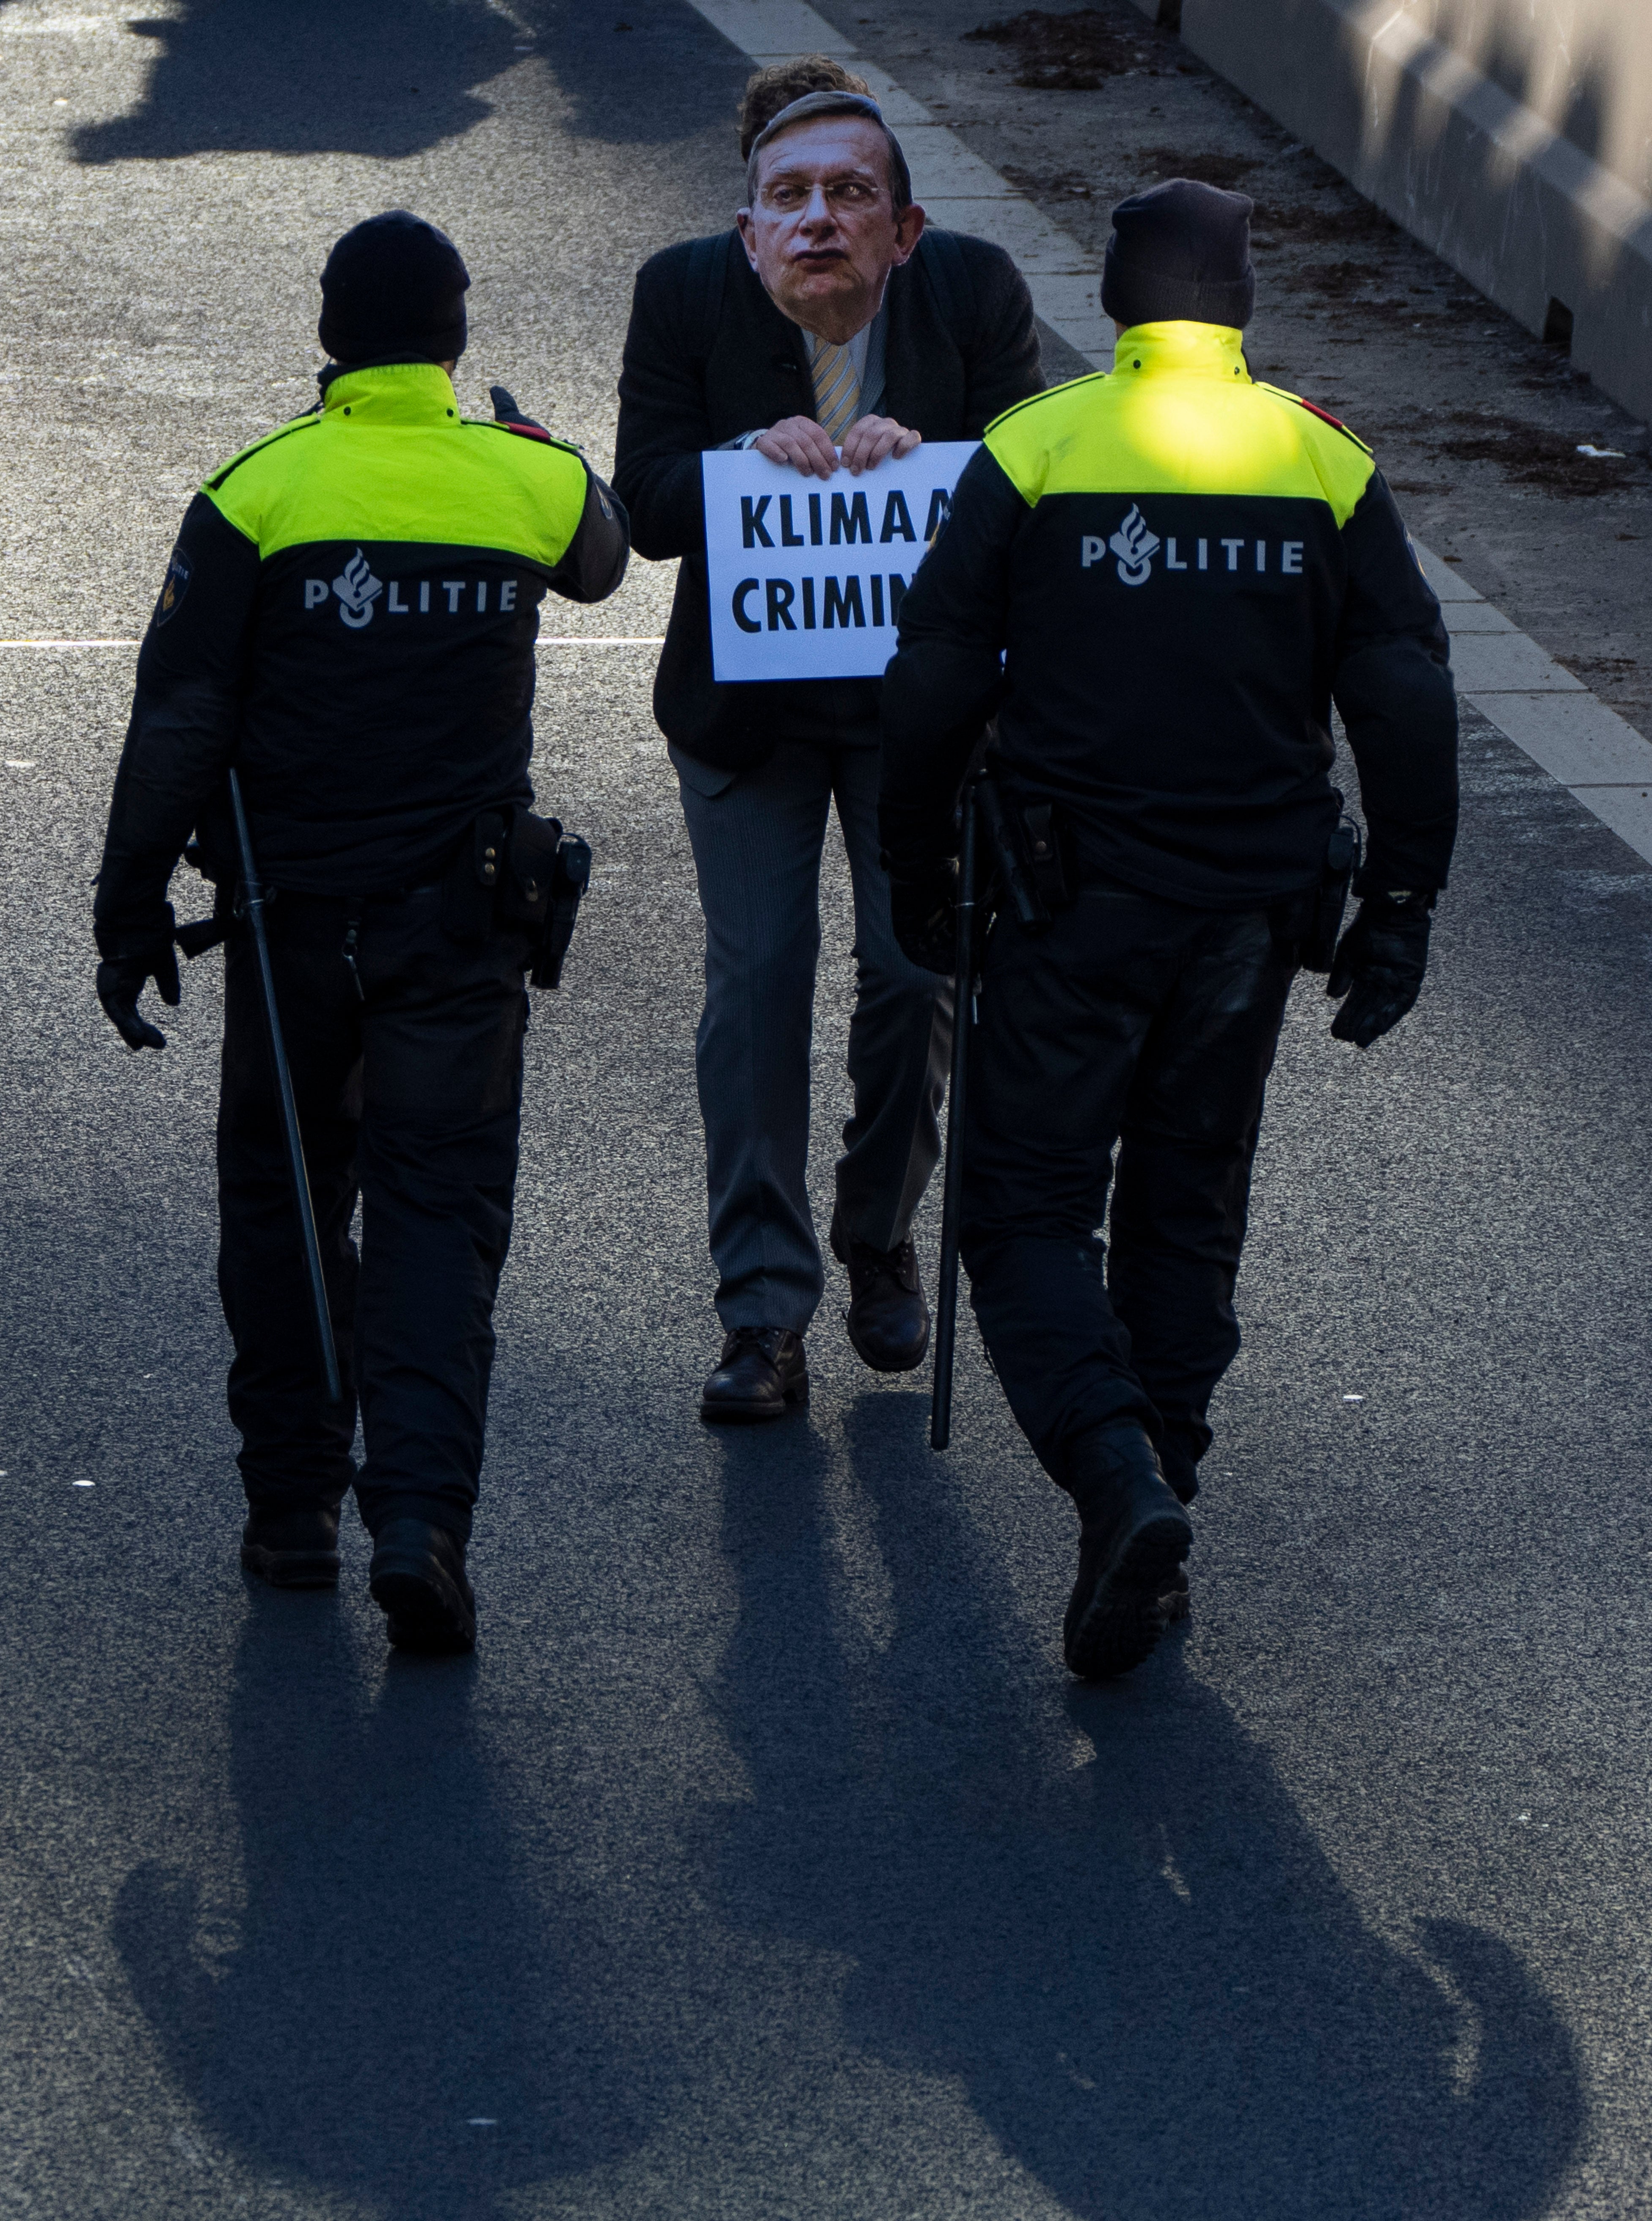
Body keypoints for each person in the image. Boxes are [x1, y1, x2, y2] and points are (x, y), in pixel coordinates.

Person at [877, 181, 1456, 1679]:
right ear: (1242, 301)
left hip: (1069, 909)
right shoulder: (1325, 461)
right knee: (1189, 1207)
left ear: (1121, 300)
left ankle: (1114, 1473)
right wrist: (1400, 907)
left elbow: (937, 672)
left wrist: (914, 869)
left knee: (1022, 1212)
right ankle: (1160, 1502)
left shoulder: (1042, 444)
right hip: (1252, 919)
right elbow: (1400, 695)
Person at [91, 211, 628, 1653]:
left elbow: (180, 719)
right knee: (437, 1218)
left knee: (281, 1201)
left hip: (286, 927)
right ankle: (420, 1523)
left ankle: (289, 1513)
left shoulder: (260, 489)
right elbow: (606, 559)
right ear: (455, 338)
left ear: (327, 339)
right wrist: (527, 431)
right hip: (459, 927)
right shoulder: (525, 480)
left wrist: (127, 906)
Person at [613, 68, 1046, 1424]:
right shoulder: (682, 292)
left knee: (917, 974)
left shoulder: (975, 294)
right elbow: (646, 506)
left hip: (917, 714)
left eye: (850, 196)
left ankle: (878, 1229)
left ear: (903, 231)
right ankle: (762, 1308)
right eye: (788, 200)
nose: (818, 222)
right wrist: (749, 455)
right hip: (750, 713)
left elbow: (1025, 501)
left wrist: (949, 468)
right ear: (748, 232)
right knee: (757, 989)